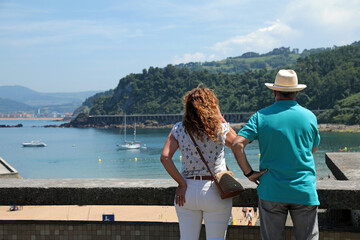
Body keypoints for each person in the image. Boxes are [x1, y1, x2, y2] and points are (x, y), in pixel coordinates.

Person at [231, 69, 320, 240]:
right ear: (296, 92)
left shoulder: (261, 116)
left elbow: (237, 144)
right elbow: (312, 149)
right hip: (303, 189)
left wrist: (249, 173)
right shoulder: (309, 116)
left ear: (274, 92)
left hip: (271, 189)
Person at [160, 87, 237, 240]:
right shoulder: (220, 128)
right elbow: (237, 144)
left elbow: (165, 157)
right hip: (216, 191)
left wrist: (181, 184)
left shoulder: (179, 129)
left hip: (187, 190)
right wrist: (221, 119)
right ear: (212, 106)